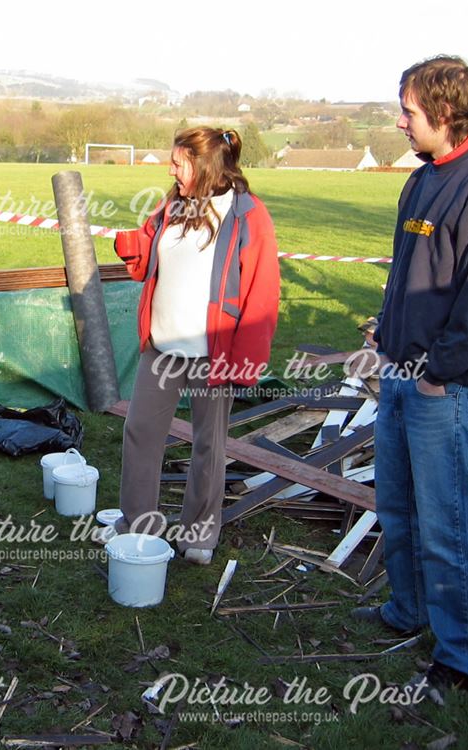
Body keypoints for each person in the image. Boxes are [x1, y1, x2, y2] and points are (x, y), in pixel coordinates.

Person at [353, 55, 468, 695]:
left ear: (445, 114)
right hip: (401, 370)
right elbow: (416, 273)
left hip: (442, 388)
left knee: (448, 523)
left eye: (410, 111)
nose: (400, 122)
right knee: (396, 503)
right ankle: (408, 611)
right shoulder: (422, 180)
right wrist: (387, 328)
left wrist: (436, 374)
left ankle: (460, 656)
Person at [103, 127, 280, 565]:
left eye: (178, 162)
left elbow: (263, 290)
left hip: (212, 355)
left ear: (203, 165)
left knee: (208, 443)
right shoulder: (173, 204)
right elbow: (150, 256)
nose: (170, 170)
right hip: (160, 347)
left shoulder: (247, 215)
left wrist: (247, 361)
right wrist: (133, 245)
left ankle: (199, 535)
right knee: (141, 432)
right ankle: (136, 525)